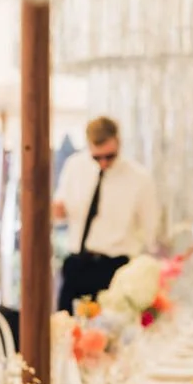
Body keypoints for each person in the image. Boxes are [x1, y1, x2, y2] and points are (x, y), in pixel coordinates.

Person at [53, 116, 158, 314]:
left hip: (116, 269)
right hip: (77, 263)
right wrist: (56, 211)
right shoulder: (74, 167)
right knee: (66, 325)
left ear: (118, 142)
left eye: (109, 157)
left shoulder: (139, 178)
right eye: (96, 157)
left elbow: (150, 231)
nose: (103, 163)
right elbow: (60, 212)